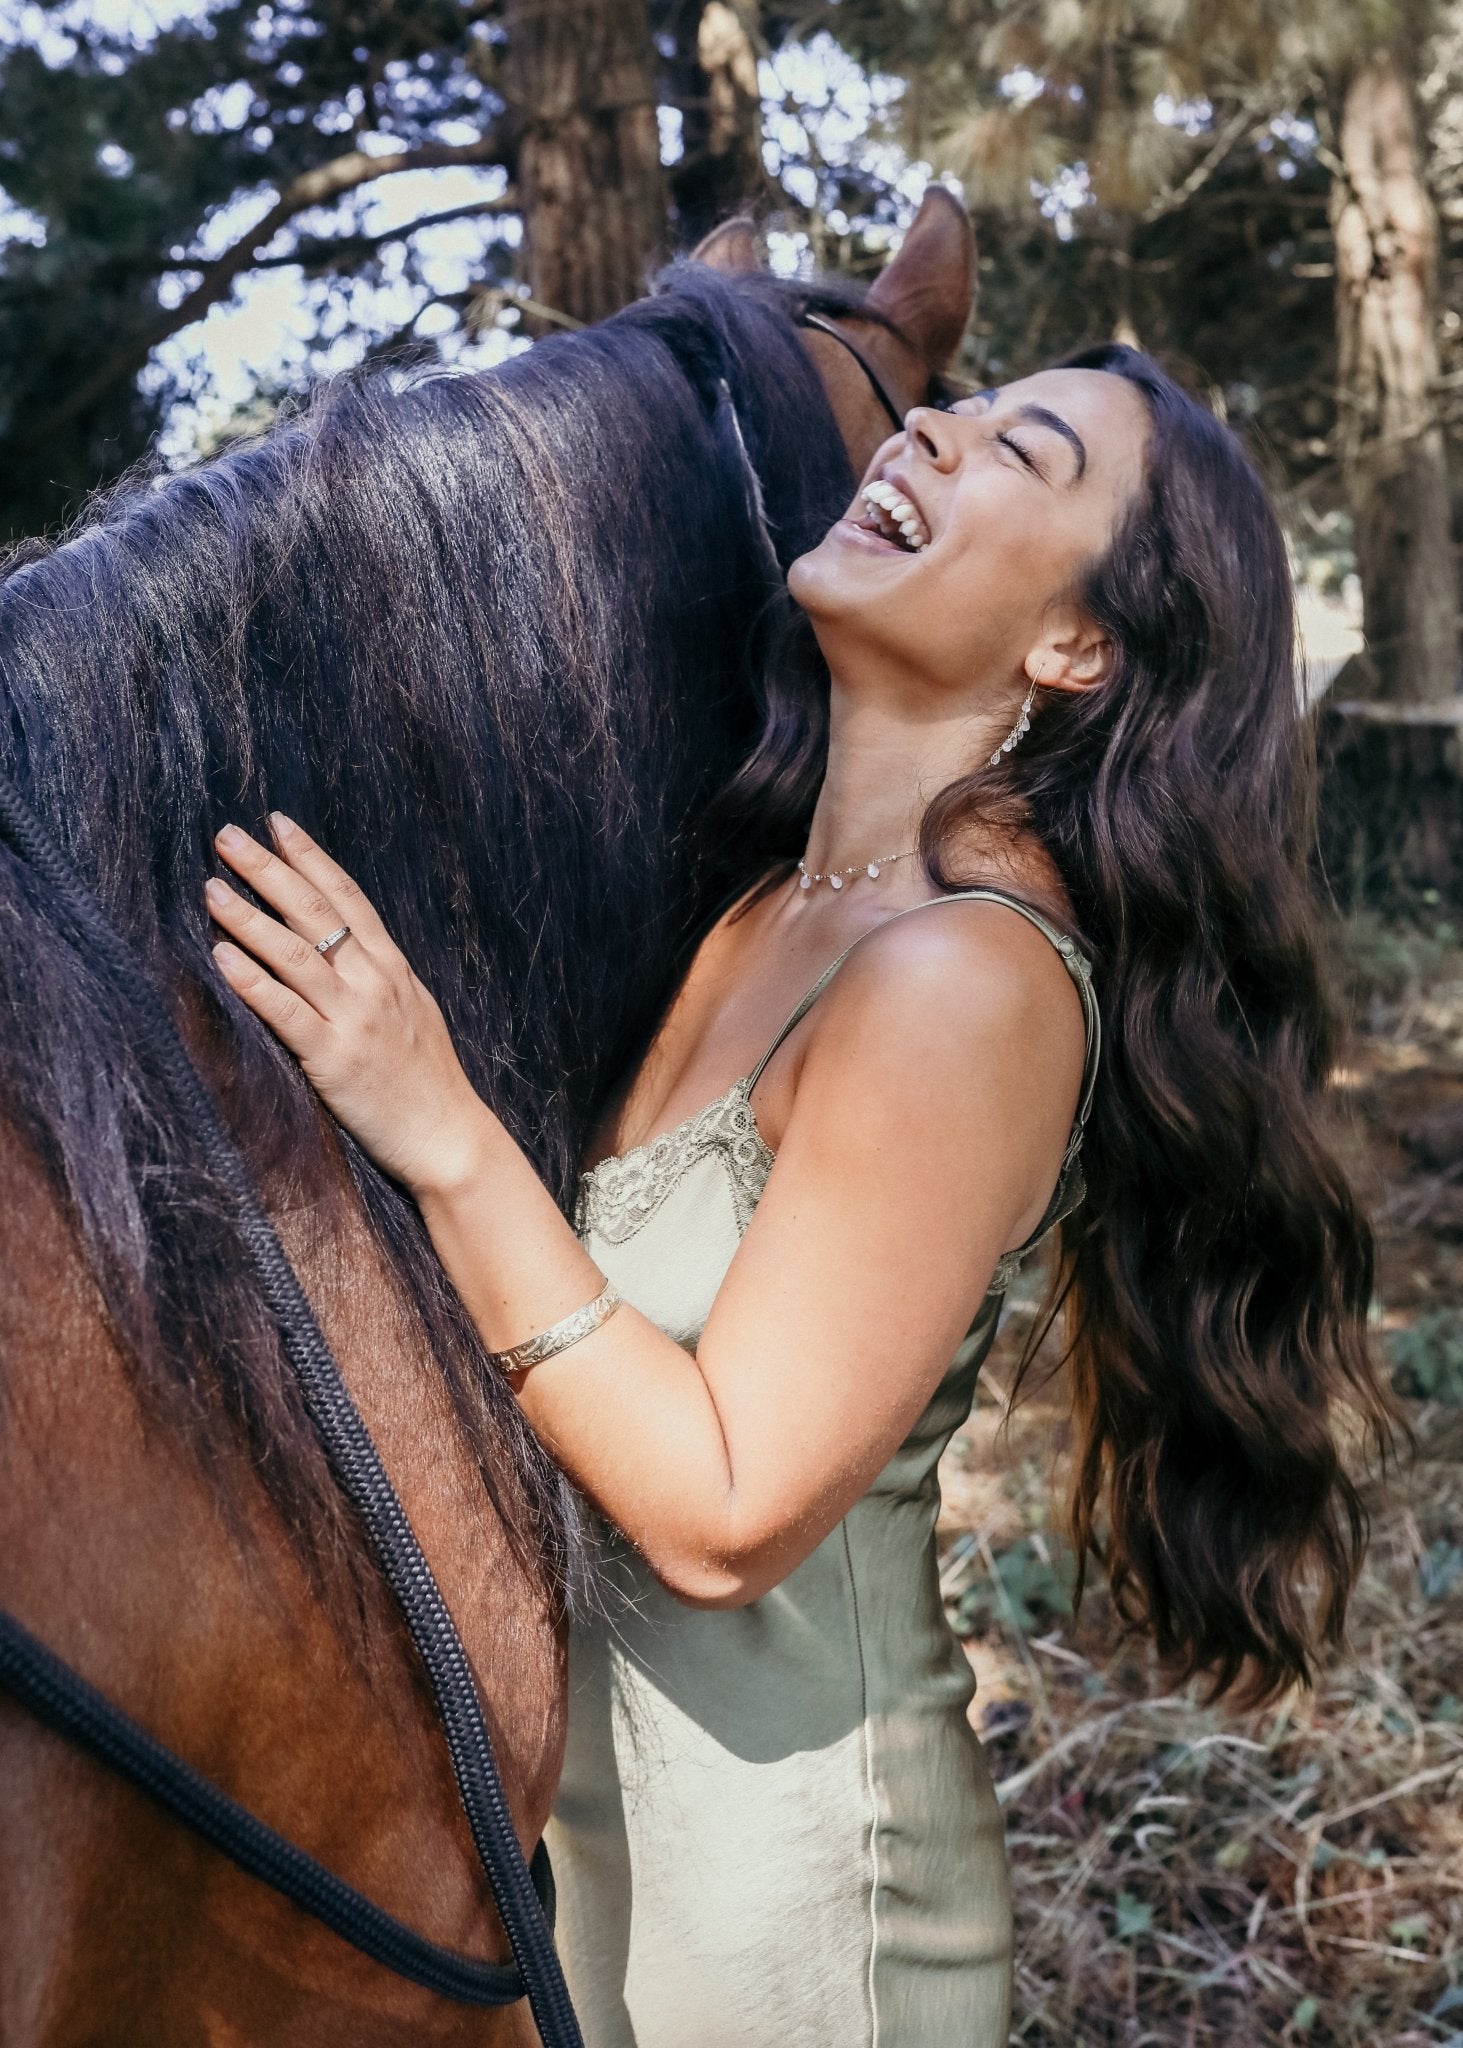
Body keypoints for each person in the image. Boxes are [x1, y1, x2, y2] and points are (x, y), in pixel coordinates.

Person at [203, 345, 1388, 2047]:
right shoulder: (766, 914)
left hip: (793, 1921)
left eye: (1016, 448)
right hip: (594, 1871)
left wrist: (436, 1120)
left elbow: (728, 1507)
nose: (932, 427)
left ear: (1074, 644)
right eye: (958, 403)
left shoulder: (964, 980)